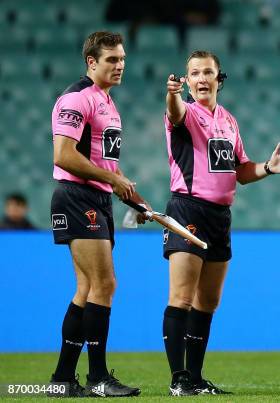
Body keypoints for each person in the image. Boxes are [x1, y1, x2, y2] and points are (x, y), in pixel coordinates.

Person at [162, 50, 280, 396]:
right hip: (188, 211)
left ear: (218, 79)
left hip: (220, 217)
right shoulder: (185, 112)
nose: (201, 79)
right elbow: (174, 112)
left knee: (207, 301)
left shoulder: (227, 120)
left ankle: (195, 378)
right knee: (181, 296)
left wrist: (269, 168)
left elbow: (240, 171)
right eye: (194, 73)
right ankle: (178, 379)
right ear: (187, 80)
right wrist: (171, 94)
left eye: (207, 72)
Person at [49, 31, 147, 397]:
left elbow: (103, 163)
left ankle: (62, 380)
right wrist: (110, 179)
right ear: (91, 62)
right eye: (111, 60)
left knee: (88, 288)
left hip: (97, 197)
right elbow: (64, 155)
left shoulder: (106, 101)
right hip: (78, 197)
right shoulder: (77, 98)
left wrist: (132, 196)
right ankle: (98, 378)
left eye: (122, 59)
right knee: (104, 285)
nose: (120, 65)